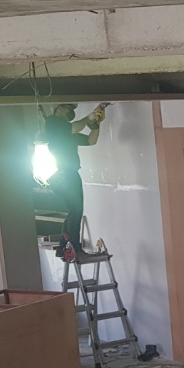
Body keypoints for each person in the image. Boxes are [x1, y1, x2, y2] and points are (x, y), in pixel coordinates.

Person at [42, 102, 106, 258]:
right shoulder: (52, 123)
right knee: (76, 211)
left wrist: (95, 126)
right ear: (59, 108)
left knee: (73, 211)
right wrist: (89, 117)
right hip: (65, 175)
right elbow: (74, 127)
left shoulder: (66, 132)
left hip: (63, 176)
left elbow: (91, 141)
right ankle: (75, 248)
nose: (70, 112)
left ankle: (63, 246)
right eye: (68, 108)